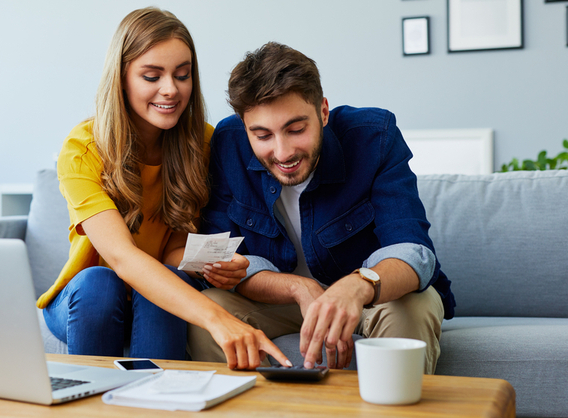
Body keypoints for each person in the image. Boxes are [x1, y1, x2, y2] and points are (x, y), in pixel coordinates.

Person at [38, 8, 290, 369]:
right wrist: (218, 319)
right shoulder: (83, 149)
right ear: (121, 79)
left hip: (156, 296)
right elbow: (123, 258)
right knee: (100, 282)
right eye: (152, 76)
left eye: (182, 75)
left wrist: (211, 265)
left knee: (165, 280)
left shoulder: (203, 143)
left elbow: (173, 250)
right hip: (89, 299)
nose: (171, 90)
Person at [188, 42, 455, 374]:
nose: (282, 152)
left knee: (415, 306)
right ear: (245, 128)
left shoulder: (375, 136)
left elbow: (413, 251)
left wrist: (358, 286)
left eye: (296, 129)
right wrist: (298, 287)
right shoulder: (228, 143)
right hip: (282, 302)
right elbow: (223, 262)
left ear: (323, 112)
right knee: (208, 311)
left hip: (371, 297)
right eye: (262, 135)